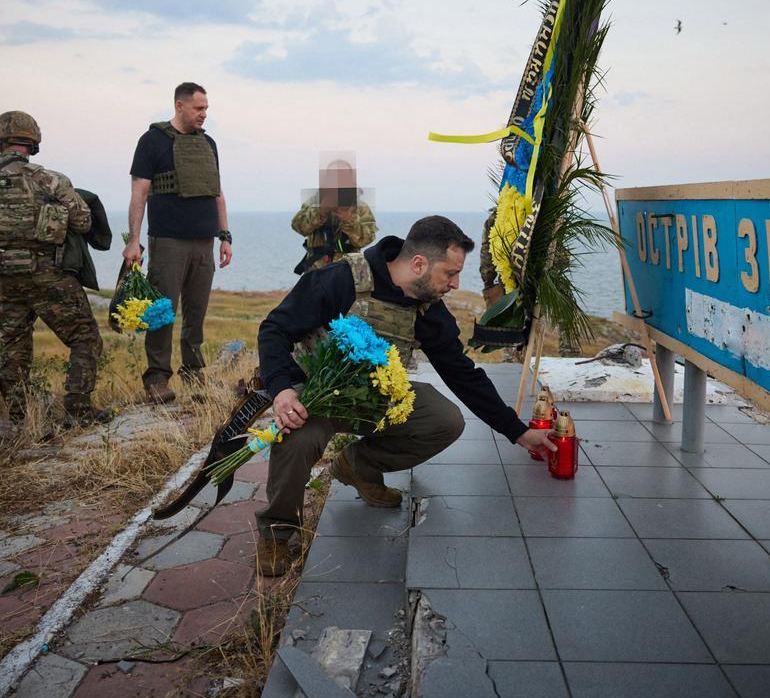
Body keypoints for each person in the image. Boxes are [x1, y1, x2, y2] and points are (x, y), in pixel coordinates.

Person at [253, 215, 557, 576]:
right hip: (317, 396)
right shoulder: (340, 279)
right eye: (450, 273)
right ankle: (277, 530)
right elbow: (274, 329)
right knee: (298, 437)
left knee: (445, 420)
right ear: (418, 264)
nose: (456, 284)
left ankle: (359, 466)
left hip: (376, 398)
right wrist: (283, 391)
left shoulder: (428, 309)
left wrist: (517, 431)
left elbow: (462, 374)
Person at [0, 110, 109, 425]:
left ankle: (21, 414)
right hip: (49, 275)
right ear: (33, 143)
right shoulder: (49, 179)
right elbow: (83, 220)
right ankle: (78, 408)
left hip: (3, 277)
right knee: (85, 338)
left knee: (14, 343)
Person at [124, 82, 232, 404]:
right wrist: (134, 241)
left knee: (196, 313)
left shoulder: (209, 143)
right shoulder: (152, 141)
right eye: (199, 109)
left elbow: (217, 192)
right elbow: (139, 192)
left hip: (204, 243)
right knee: (163, 312)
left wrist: (224, 236)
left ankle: (194, 372)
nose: (204, 114)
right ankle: (157, 378)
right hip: (168, 241)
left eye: (206, 109)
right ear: (179, 106)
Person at [290, 156, 377, 273]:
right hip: (316, 271)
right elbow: (298, 227)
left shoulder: (360, 207)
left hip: (348, 271)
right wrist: (320, 211)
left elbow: (366, 239)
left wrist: (349, 220)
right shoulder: (314, 202)